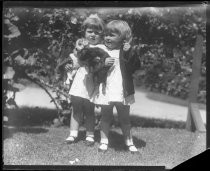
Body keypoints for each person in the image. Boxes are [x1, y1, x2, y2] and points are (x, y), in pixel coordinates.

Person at [93, 20, 141, 153]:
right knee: (105, 116)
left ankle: (129, 142)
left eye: (112, 35)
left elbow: (135, 66)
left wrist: (130, 52)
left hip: (122, 90)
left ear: (123, 38)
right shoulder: (101, 50)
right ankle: (104, 141)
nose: (107, 37)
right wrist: (103, 63)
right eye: (106, 34)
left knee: (125, 118)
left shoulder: (126, 51)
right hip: (106, 89)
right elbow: (94, 69)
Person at [65, 14, 107, 146]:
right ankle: (73, 133)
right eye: (90, 31)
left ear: (101, 35)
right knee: (76, 107)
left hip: (91, 80)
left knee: (89, 109)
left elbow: (104, 63)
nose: (93, 35)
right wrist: (70, 66)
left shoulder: (102, 49)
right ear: (84, 32)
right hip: (79, 80)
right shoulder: (80, 46)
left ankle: (90, 135)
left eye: (97, 32)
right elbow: (75, 62)